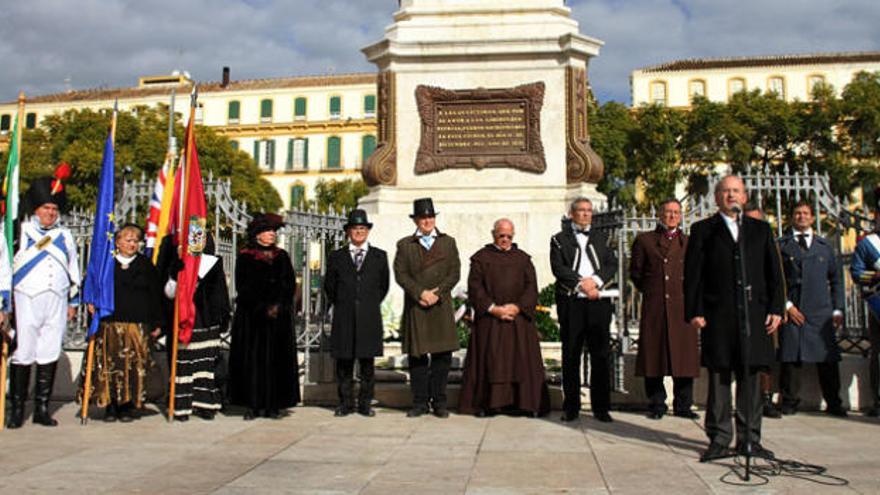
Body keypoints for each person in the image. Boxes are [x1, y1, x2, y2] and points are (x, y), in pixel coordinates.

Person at [684, 175, 784, 462]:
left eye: (736, 191)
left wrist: (776, 308)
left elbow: (773, 273)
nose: (731, 195)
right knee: (720, 378)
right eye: (725, 191)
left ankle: (750, 438)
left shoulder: (760, 229)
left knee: (751, 378)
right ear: (717, 197)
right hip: (718, 315)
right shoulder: (704, 230)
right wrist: (695, 310)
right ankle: (719, 438)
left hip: (754, 315)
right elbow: (694, 275)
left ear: (744, 196)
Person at [6, 173, 81, 428]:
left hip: (57, 298)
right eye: (46, 208)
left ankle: (41, 408)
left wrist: (73, 301)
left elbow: (74, 268)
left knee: (49, 350)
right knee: (23, 351)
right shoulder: (19, 231)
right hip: (26, 297)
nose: (50, 213)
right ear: (35, 209)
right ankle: (17, 409)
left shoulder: (64, 235)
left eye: (54, 208)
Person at [459, 218, 550, 417]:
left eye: (509, 236)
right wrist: (493, 309)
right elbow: (475, 288)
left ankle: (524, 404)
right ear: (494, 234)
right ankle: (488, 404)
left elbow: (531, 288)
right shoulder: (481, 258)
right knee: (491, 360)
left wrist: (517, 307)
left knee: (521, 361)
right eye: (501, 235)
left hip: (518, 320)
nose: (505, 239)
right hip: (490, 319)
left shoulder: (523, 259)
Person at [79, 224, 162, 422]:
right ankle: (109, 405)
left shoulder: (145, 264)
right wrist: (91, 301)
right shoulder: (106, 264)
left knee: (132, 366)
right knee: (109, 365)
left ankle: (127, 405)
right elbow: (91, 285)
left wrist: (157, 321)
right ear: (117, 242)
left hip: (136, 324)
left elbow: (155, 295)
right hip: (109, 323)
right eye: (128, 240)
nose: (132, 244)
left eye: (135, 241)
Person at [630, 199, 700, 420]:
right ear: (660, 214)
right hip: (656, 305)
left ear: (681, 216)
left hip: (682, 306)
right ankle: (656, 403)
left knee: (684, 357)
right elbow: (636, 273)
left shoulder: (689, 242)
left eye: (676, 212)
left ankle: (683, 405)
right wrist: (653, 291)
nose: (672, 216)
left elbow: (696, 274)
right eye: (668, 212)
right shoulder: (645, 241)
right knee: (654, 356)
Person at [550, 197, 617, 423]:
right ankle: (571, 407)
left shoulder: (603, 238)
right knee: (571, 355)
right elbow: (559, 268)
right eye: (581, 210)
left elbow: (611, 264)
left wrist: (595, 282)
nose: (586, 214)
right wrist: (581, 283)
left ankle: (601, 407)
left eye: (589, 211)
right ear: (572, 213)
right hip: (572, 303)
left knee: (600, 354)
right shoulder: (559, 240)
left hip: (598, 301)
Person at [777, 200, 846, 417]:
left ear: (812, 218)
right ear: (791, 217)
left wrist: (838, 309)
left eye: (806, 213)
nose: (802, 217)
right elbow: (775, 280)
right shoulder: (782, 245)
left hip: (820, 312)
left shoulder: (824, 247)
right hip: (793, 309)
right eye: (797, 213)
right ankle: (789, 401)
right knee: (791, 358)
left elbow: (836, 280)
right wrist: (786, 305)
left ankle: (834, 401)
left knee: (827, 360)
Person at [394, 198, 460, 418]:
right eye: (423, 218)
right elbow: (400, 274)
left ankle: (440, 401)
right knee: (418, 358)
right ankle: (420, 402)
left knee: (442, 358)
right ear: (416, 220)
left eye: (430, 217)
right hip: (417, 305)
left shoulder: (448, 242)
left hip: (440, 305)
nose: (427, 221)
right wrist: (420, 293)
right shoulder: (405, 245)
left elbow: (454, 272)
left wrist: (437, 293)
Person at [229, 213, 300, 420]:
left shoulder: (282, 256)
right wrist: (262, 307)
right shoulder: (245, 256)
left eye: (273, 232)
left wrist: (279, 305)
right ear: (257, 235)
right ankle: (253, 404)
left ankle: (273, 405)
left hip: (278, 318)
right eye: (267, 231)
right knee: (254, 362)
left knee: (275, 362)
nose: (271, 235)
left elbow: (289, 283)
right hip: (253, 318)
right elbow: (243, 286)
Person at [324, 209, 389, 417]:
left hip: (368, 317)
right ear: (348, 232)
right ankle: (345, 402)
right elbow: (330, 287)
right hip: (344, 316)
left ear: (367, 231)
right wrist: (345, 302)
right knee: (344, 363)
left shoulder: (379, 256)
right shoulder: (336, 257)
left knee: (367, 364)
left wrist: (367, 303)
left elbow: (383, 286)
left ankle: (365, 403)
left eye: (362, 228)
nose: (359, 232)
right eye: (355, 228)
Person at [162, 233, 231, 421]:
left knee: (205, 365)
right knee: (184, 364)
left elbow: (220, 291)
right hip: (184, 322)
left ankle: (205, 403)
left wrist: (223, 315)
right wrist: (176, 274)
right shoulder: (178, 263)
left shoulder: (213, 264)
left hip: (207, 321)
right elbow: (169, 293)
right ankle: (182, 405)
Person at [742, 204, 782, 419]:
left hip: (762, 308)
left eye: (756, 220)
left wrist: (778, 307)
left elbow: (777, 277)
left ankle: (766, 398)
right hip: (738, 309)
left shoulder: (767, 241)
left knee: (765, 357)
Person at [849, 185, 880, 418]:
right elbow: (858, 273)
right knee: (878, 354)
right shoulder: (868, 243)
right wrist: (876, 275)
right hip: (878, 303)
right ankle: (878, 398)